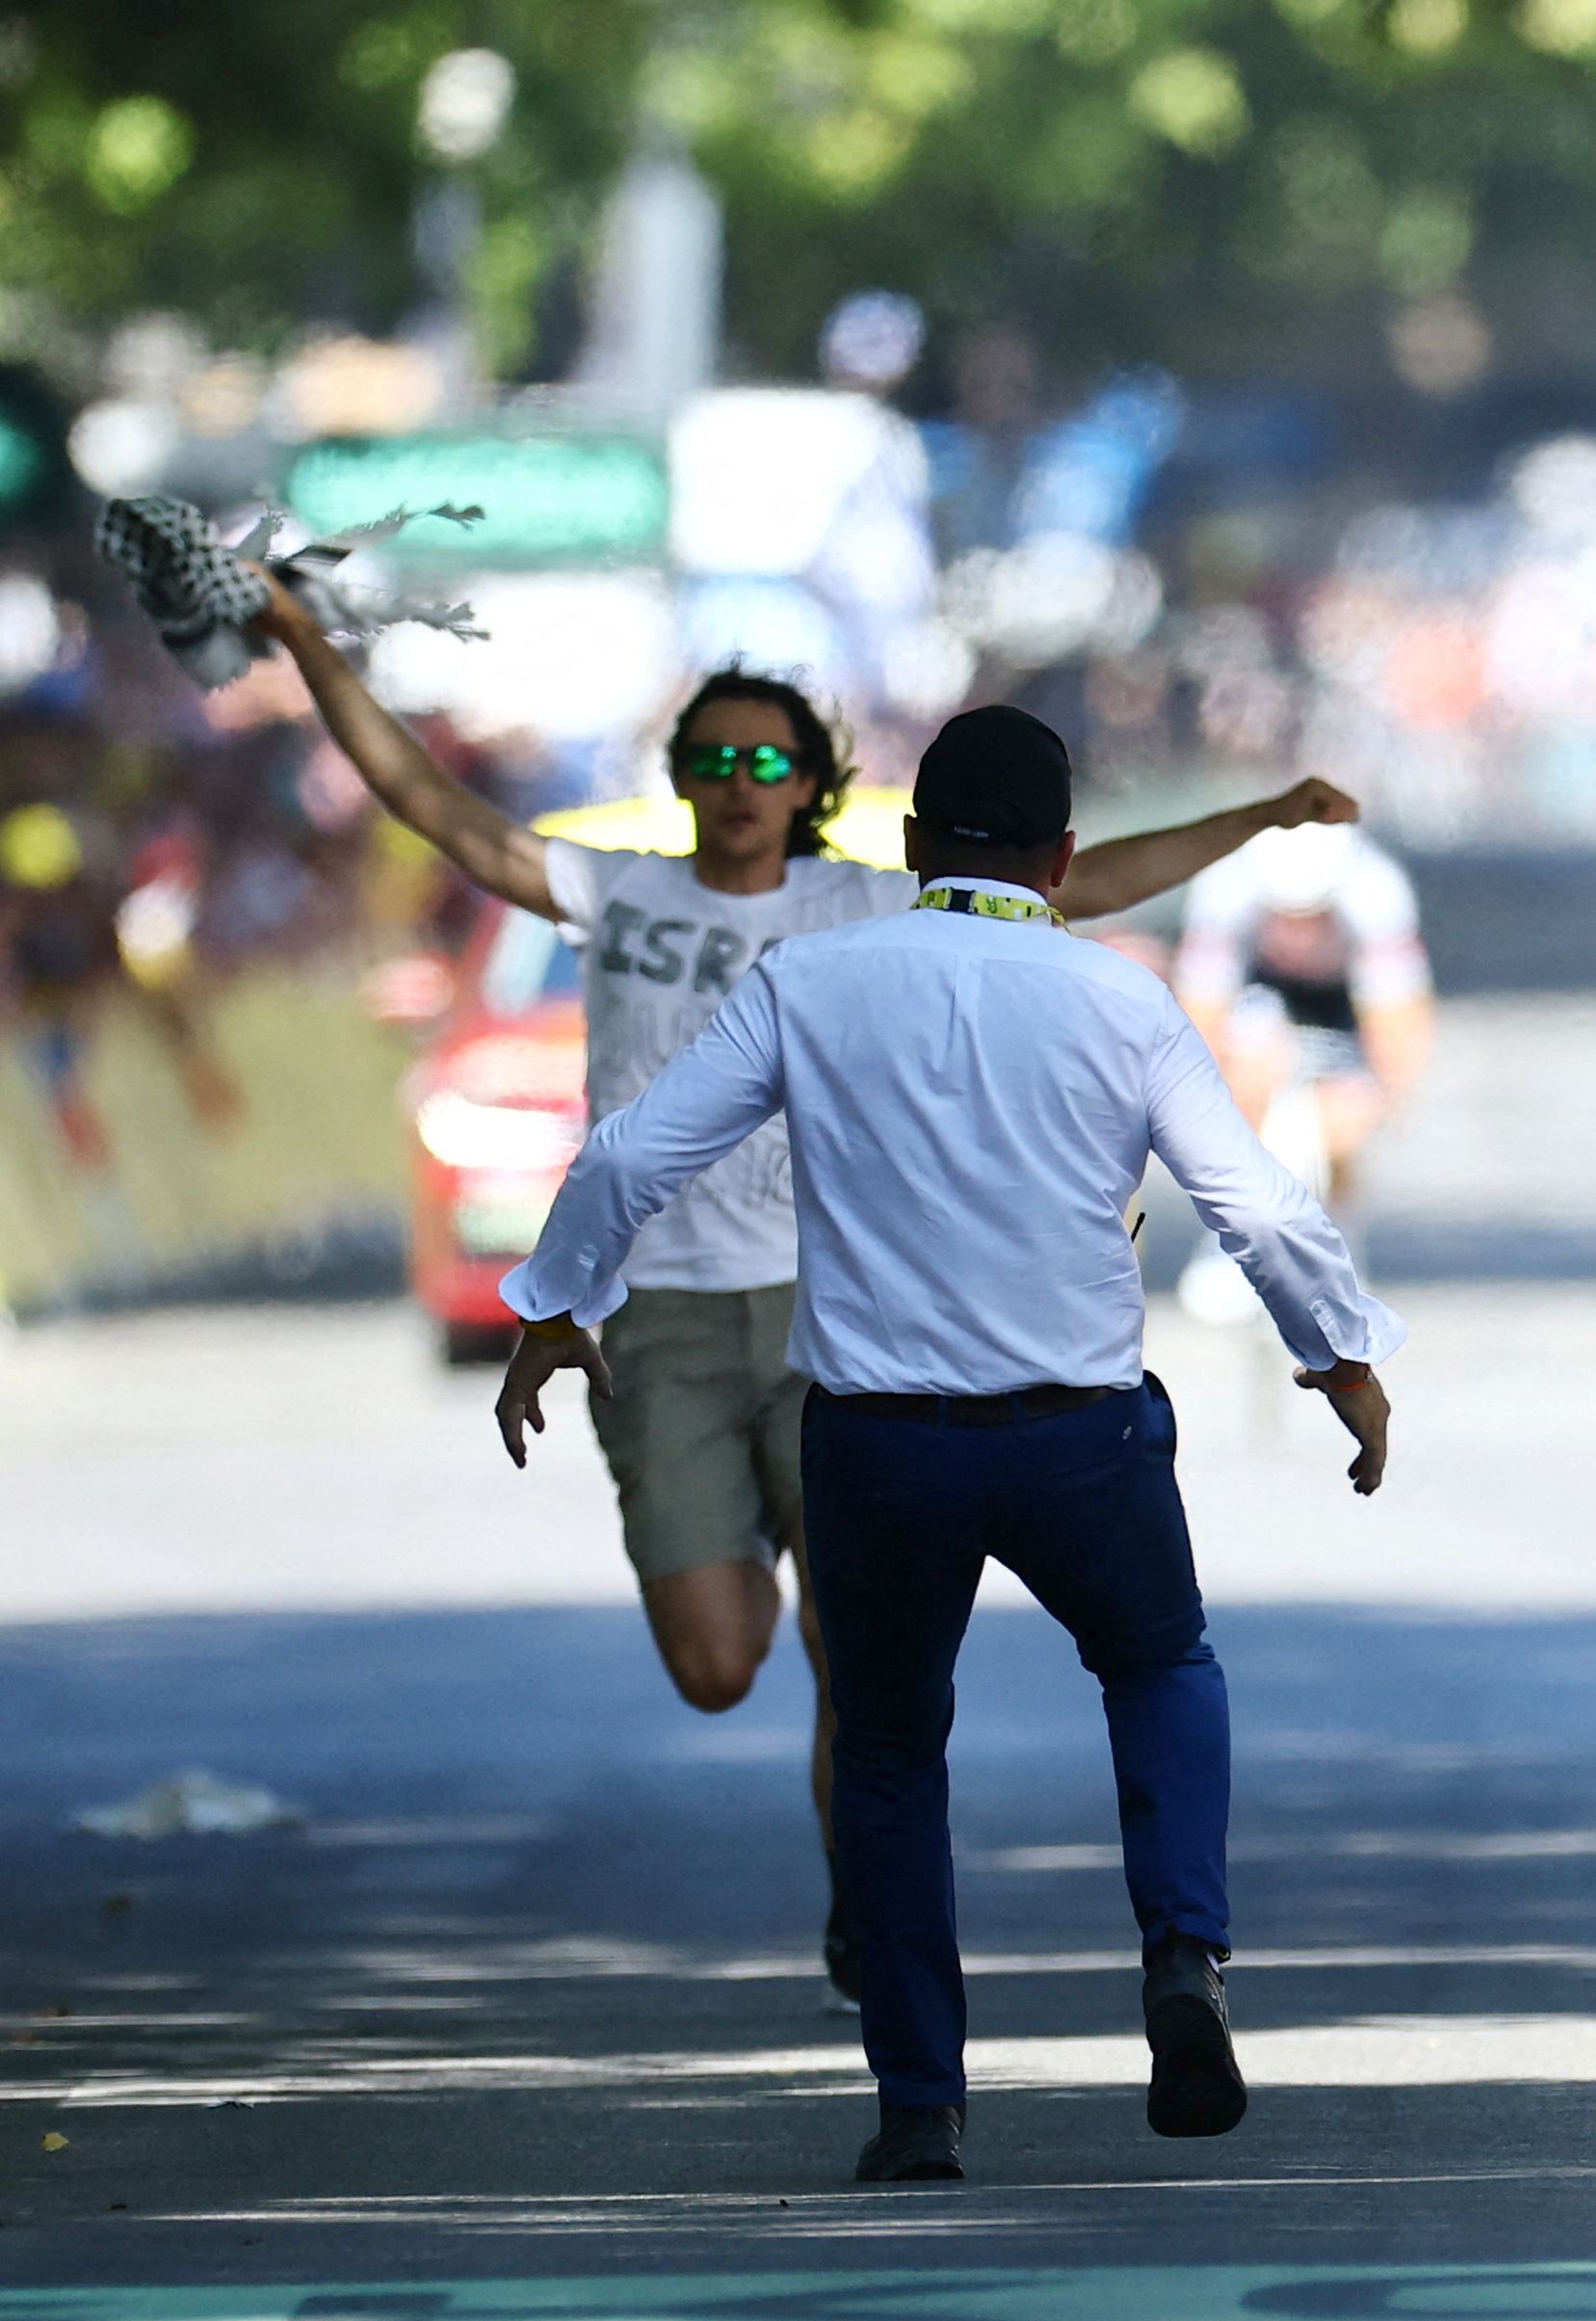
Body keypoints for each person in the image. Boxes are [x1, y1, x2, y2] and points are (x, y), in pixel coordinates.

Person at [249, 582, 1351, 2002]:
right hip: (667, 1324)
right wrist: (308, 649)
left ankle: (871, 1924)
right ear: (683, 780)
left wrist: (1253, 822)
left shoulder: (863, 906)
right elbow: (427, 804)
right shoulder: (614, 891)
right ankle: (961, 1855)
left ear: (820, 790)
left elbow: (1075, 876)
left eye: (768, 761)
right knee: (718, 1665)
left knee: (865, 1658)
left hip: (830, 1318)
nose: (736, 783)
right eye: (711, 758)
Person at [490, 704, 1402, 2184]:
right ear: (1059, 857)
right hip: (1080, 1437)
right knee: (1159, 1664)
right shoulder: (1118, 998)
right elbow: (1257, 1203)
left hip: (881, 1447)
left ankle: (921, 2100)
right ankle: (1183, 1952)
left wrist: (552, 1310)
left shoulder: (811, 979)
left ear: (911, 850)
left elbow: (630, 1155)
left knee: (895, 1751)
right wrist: (1339, 1354)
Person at [1172, 817, 1433, 1212]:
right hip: (1259, 992)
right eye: (1286, 915)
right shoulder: (1223, 890)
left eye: (1314, 915)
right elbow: (1201, 1017)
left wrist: (1386, 1096)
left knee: (1344, 1121)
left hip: (1340, 1001)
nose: (1299, 932)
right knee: (1247, 1075)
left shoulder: (1377, 893)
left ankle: (1338, 1223)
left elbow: (1398, 1022)